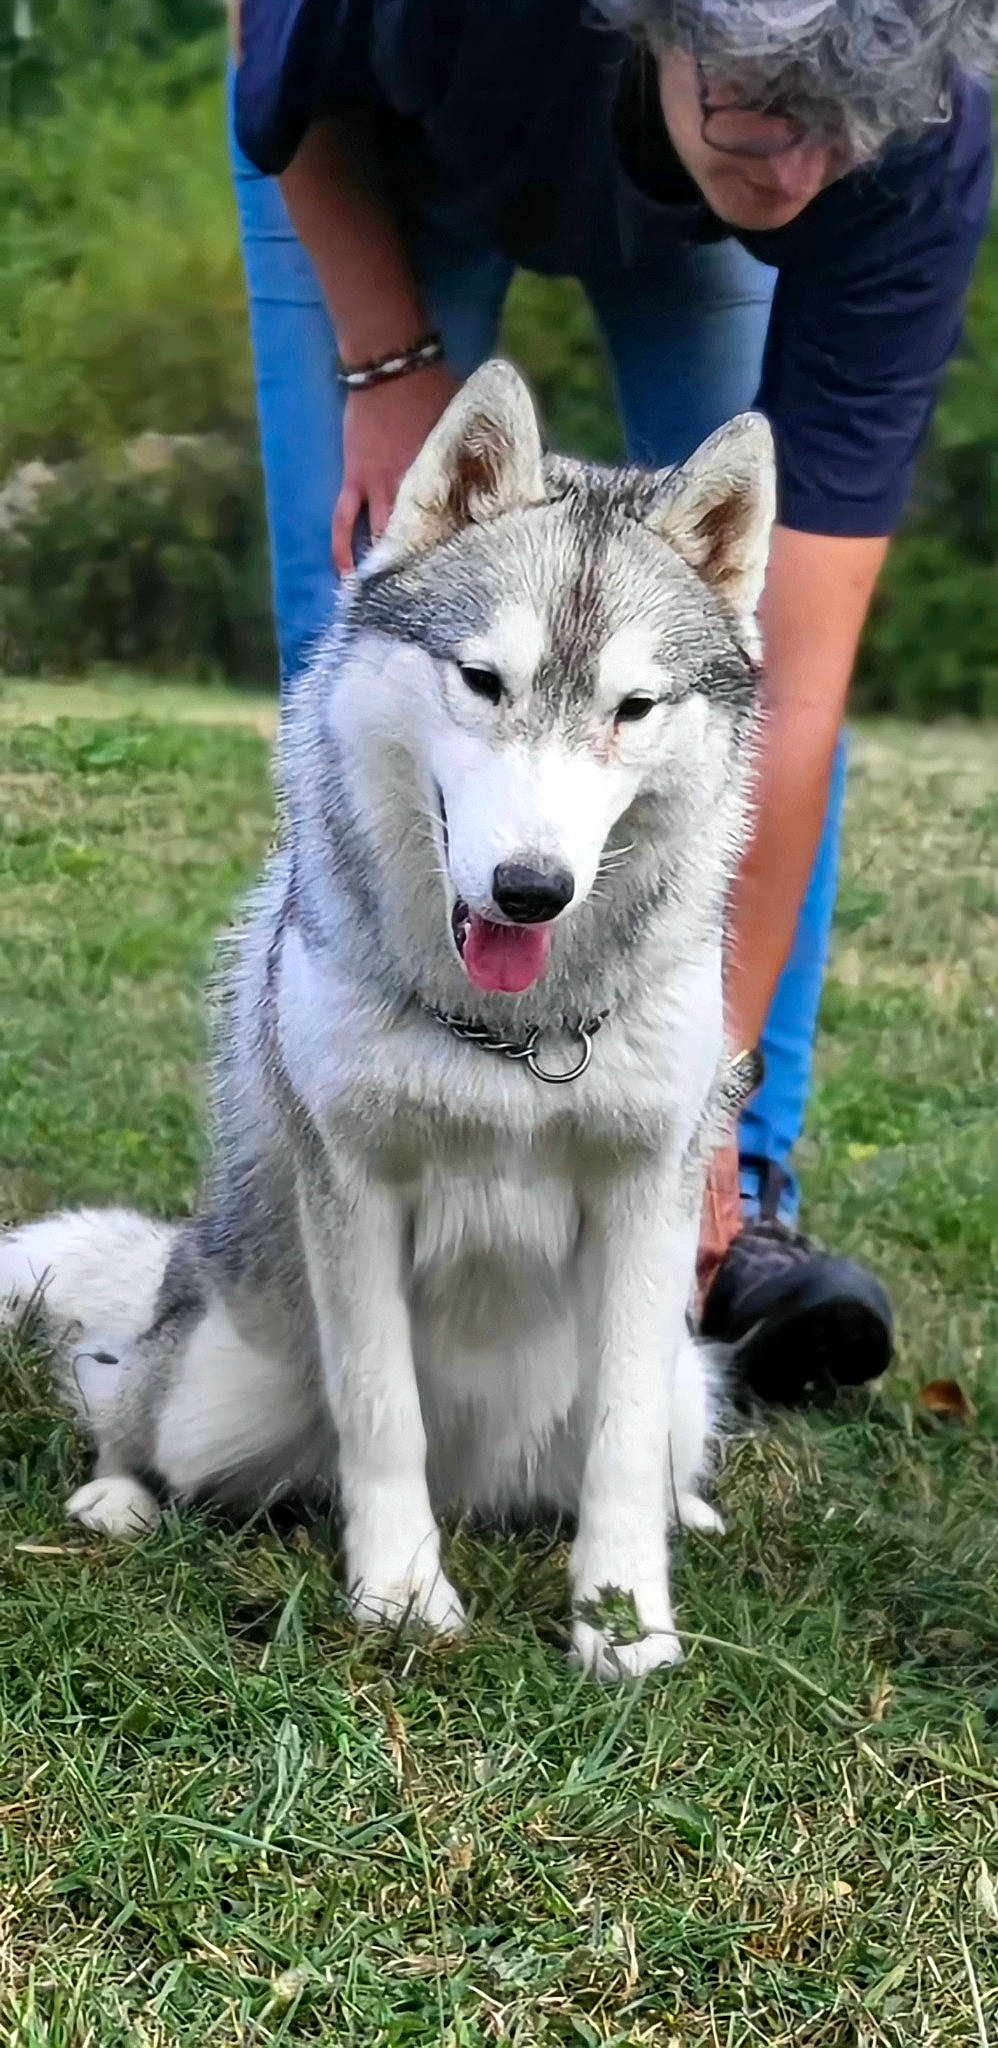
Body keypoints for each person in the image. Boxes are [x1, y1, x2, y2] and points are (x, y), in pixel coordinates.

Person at [228, 0, 994, 1403]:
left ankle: (723, 1197)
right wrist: (387, 365)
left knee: (684, 684)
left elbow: (784, 689)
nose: (798, 173)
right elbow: (279, 75)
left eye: (840, 133)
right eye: (765, 114)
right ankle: (375, 1169)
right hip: (377, 141)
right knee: (378, 619)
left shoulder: (901, 137)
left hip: (666, 199)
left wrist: (704, 1096)